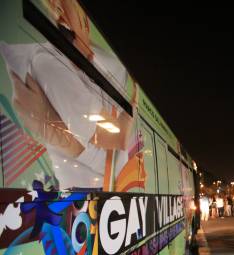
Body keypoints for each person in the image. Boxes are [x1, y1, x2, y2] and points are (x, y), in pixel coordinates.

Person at [0, 0, 135, 190]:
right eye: (51, 5)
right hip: (86, 194)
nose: (57, 11)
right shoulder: (47, 64)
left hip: (104, 191)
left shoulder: (111, 62)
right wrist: (133, 107)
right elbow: (117, 140)